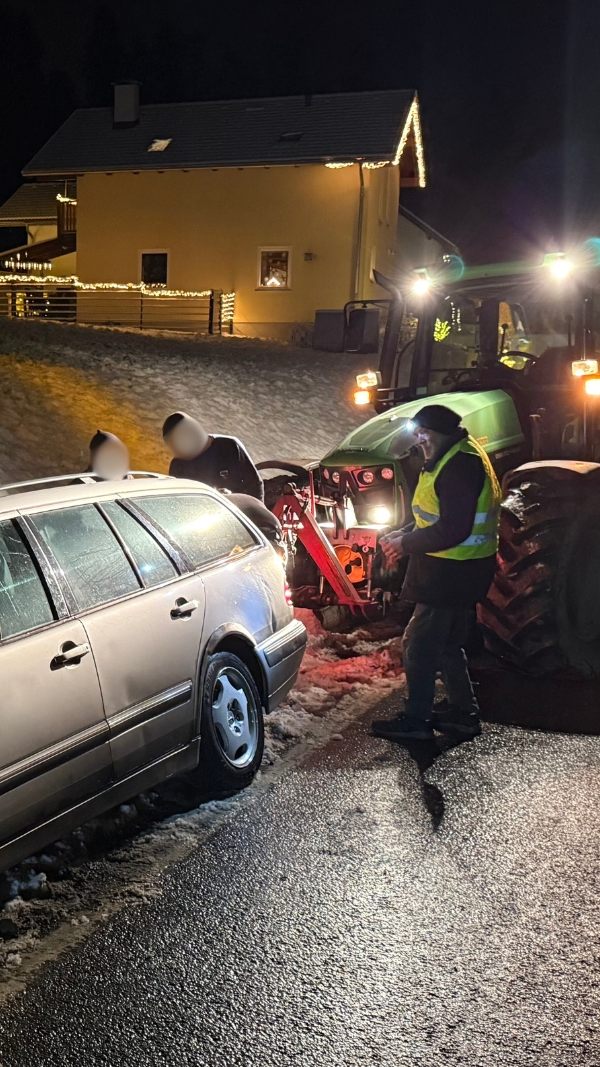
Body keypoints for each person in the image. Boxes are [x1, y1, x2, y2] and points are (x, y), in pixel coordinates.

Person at [372, 404, 501, 742]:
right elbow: (437, 515)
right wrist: (405, 533)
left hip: (450, 572)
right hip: (460, 568)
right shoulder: (455, 454)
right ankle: (463, 712)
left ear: (437, 433)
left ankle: (417, 719)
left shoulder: (459, 465)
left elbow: (453, 529)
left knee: (418, 645)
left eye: (423, 435)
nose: (419, 442)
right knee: (447, 644)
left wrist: (406, 544)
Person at [162, 412, 264, 501]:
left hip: (240, 510)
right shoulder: (178, 466)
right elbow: (178, 501)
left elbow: (255, 484)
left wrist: (258, 515)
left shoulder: (229, 445)